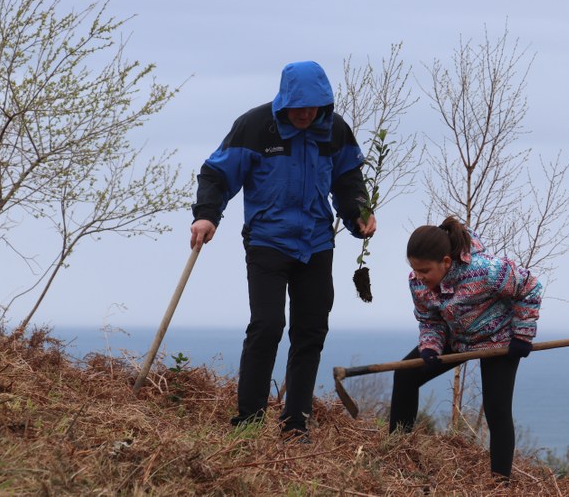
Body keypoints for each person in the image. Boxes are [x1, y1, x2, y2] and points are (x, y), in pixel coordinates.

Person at [190, 60, 376, 439]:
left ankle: (295, 424)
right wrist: (207, 215)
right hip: (267, 241)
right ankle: (250, 420)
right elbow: (217, 173)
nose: (307, 113)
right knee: (267, 325)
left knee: (310, 331)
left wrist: (359, 213)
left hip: (317, 243)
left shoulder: (334, 130)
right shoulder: (256, 127)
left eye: (315, 106)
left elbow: (347, 178)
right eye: (300, 106)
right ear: (285, 101)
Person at [389, 216, 541, 479]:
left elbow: (529, 287)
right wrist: (431, 347)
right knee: (405, 375)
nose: (419, 276)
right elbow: (429, 319)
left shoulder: (487, 271)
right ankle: (396, 455)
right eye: (415, 269)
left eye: (425, 271)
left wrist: (522, 335)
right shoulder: (417, 283)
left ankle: (499, 483)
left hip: (499, 341)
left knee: (497, 409)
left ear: (446, 263)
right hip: (456, 338)